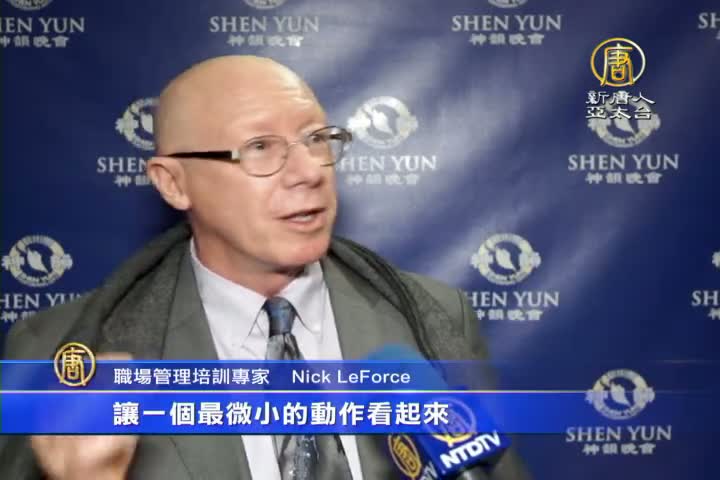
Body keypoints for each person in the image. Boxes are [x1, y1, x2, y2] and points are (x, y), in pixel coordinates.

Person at [0, 55, 529, 479]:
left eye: (317, 139)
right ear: (173, 183)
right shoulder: (63, 349)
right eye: (258, 148)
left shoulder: (432, 316)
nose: (308, 172)